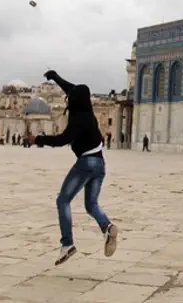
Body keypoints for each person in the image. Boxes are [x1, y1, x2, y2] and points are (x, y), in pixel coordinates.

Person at [33, 70, 118, 266]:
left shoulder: (78, 120)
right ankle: (107, 227)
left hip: (86, 163)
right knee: (91, 204)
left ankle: (67, 243)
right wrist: (55, 77)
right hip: (100, 164)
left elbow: (62, 139)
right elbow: (72, 89)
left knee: (63, 200)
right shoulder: (87, 112)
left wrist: (39, 139)